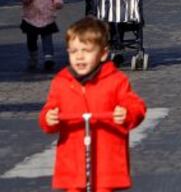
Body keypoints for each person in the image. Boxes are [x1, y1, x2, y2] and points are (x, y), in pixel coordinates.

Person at [40, 17, 147, 192]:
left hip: (106, 160)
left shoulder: (115, 80)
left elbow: (135, 105)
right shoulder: (61, 82)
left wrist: (126, 112)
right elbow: (49, 110)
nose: (79, 56)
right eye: (74, 51)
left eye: (86, 51)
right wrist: (49, 118)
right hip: (73, 159)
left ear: (103, 54)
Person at [18, 0, 63, 71]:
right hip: (31, 16)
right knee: (31, 40)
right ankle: (33, 56)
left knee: (47, 38)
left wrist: (58, 3)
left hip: (47, 16)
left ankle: (49, 58)